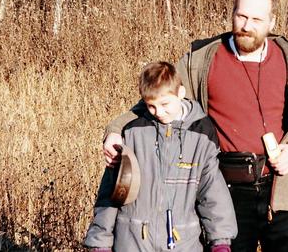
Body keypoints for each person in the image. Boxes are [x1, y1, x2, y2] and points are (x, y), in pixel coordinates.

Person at [102, 0, 288, 252]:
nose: (246, 26)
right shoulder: (201, 61)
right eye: (241, 16)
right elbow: (159, 103)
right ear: (232, 15)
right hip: (224, 193)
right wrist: (116, 131)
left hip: (284, 193)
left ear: (272, 22)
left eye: (256, 20)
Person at [84, 61, 237, 252]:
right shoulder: (133, 131)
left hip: (184, 244)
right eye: (151, 106)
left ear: (181, 93)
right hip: (132, 243)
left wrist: (220, 241)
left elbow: (213, 192)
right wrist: (100, 241)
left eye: (165, 104)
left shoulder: (202, 135)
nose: (159, 113)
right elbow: (112, 191)